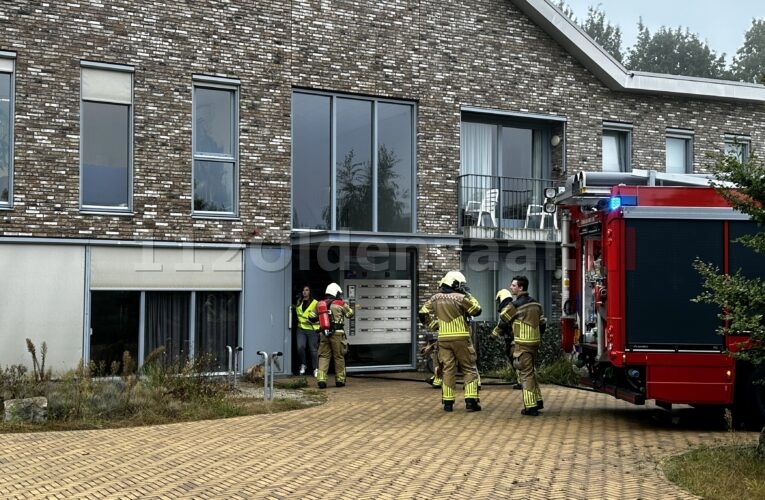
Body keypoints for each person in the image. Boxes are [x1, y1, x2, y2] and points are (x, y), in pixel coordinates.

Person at [418, 271, 482, 412]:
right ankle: (471, 401)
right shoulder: (460, 297)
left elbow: (422, 312)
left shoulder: (435, 298)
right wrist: (468, 295)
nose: (462, 287)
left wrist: (434, 325)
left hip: (444, 338)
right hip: (461, 338)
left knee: (447, 369)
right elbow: (477, 310)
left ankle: (448, 403)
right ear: (455, 283)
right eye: (461, 284)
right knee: (468, 368)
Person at [496, 276, 546, 416]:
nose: (511, 287)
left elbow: (503, 321)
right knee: (531, 371)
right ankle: (538, 400)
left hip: (522, 344)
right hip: (534, 343)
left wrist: (494, 335)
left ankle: (531, 407)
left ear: (521, 288)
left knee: (525, 374)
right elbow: (543, 324)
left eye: (513, 285)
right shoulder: (536, 304)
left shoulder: (515, 305)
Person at [315, 282, 354, 389]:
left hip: (323, 333)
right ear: (336, 293)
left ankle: (321, 380)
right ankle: (340, 380)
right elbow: (350, 314)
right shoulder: (340, 303)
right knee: (339, 356)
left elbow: (311, 317)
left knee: (323, 356)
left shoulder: (320, 303)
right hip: (337, 334)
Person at [295, 285, 320, 377]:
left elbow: (321, 316)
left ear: (310, 292)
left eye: (307, 290)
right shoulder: (299, 302)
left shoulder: (315, 303)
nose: (304, 292)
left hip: (312, 329)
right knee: (300, 347)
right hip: (301, 329)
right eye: (303, 290)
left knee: (313, 350)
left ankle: (315, 368)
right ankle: (303, 365)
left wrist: (314, 321)